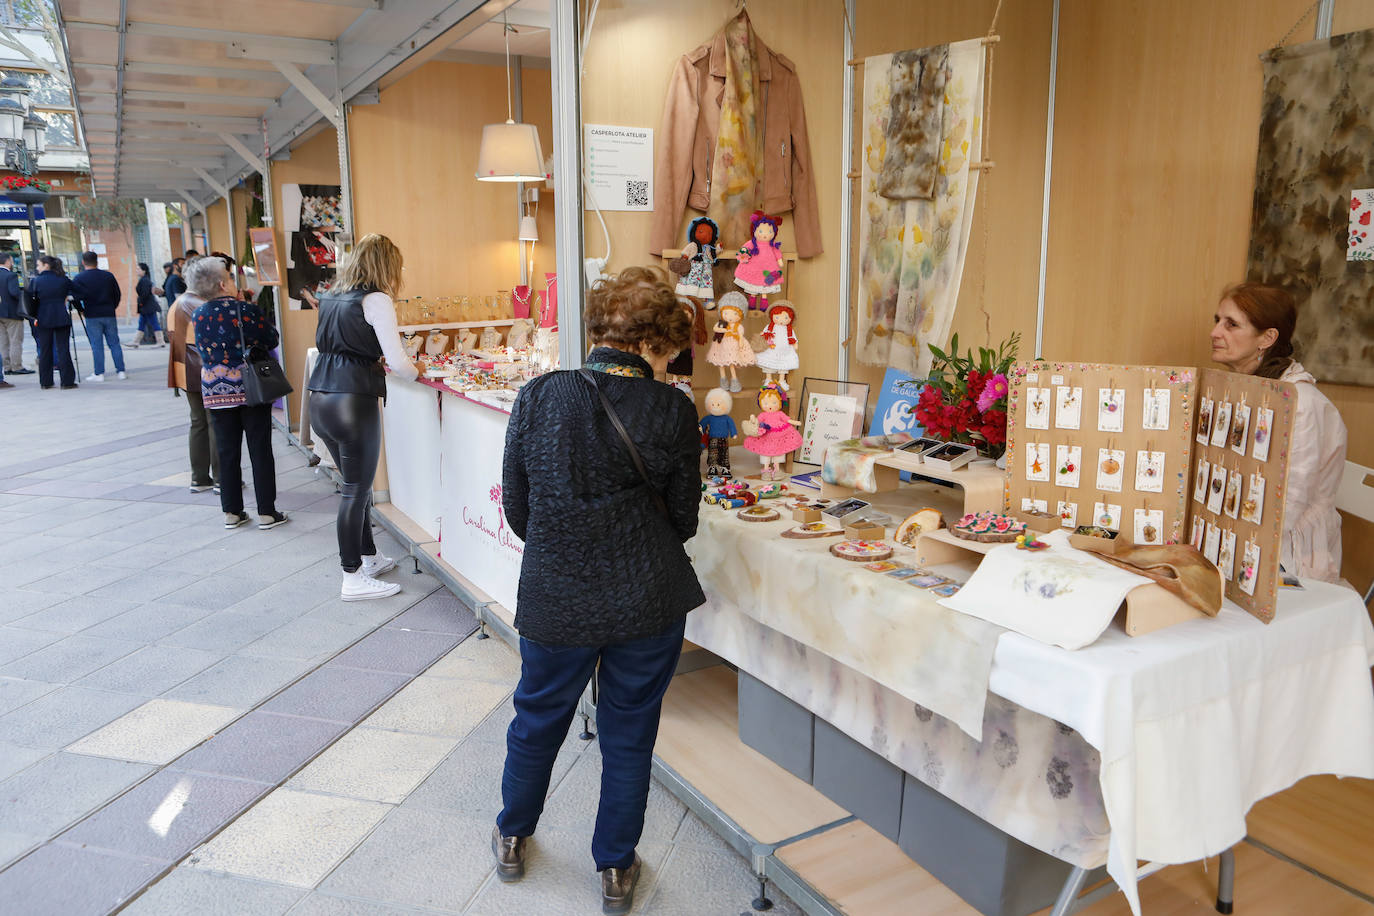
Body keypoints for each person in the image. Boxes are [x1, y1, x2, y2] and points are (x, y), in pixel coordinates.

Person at [493, 266, 703, 914]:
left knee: (537, 720)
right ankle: (615, 869)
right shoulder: (672, 409)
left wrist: (568, 547)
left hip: (557, 594)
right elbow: (686, 517)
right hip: (647, 597)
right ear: (657, 340)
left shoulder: (537, 396)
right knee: (629, 733)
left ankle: (512, 835)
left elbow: (518, 509)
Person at [307, 234, 420, 601]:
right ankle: (351, 576)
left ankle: (368, 557)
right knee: (356, 490)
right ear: (386, 265)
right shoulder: (376, 300)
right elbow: (399, 361)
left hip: (321, 397)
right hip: (354, 400)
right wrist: (418, 372)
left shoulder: (330, 297)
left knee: (354, 486)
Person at [1210, 282, 1347, 581]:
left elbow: (1288, 503)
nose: (1215, 332)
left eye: (1231, 324)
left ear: (1267, 338)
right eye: (1217, 321)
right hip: (1240, 537)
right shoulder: (1246, 390)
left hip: (1289, 556)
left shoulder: (1300, 404)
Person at [192, 255, 288, 531]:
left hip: (214, 388)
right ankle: (267, 513)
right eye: (231, 277)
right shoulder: (246, 310)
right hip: (250, 387)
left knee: (226, 450)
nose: (234, 281)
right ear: (223, 283)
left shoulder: (198, 314)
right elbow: (271, 339)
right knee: (260, 448)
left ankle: (232, 512)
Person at [167, 256, 218, 493]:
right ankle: (221, 476)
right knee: (213, 422)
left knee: (198, 422)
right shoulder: (199, 304)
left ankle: (199, 477)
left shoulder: (178, 303)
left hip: (183, 370)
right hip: (202, 369)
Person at [70, 250, 125, 382]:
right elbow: (117, 294)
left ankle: (99, 373)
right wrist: (113, 306)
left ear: (83, 262)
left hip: (92, 314)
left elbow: (75, 297)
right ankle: (121, 371)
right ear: (97, 261)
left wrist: (81, 309)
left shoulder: (79, 278)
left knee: (96, 344)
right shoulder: (108, 276)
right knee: (114, 343)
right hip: (109, 313)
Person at [26, 256, 76, 390]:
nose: (37, 268)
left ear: (46, 265)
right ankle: (67, 381)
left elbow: (30, 301)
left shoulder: (36, 281)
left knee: (45, 350)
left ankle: (46, 381)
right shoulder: (63, 279)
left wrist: (34, 315)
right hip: (61, 316)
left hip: (43, 317)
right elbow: (74, 293)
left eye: (38, 265)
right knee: (63, 349)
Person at [0, 252, 31, 376]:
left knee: (3, 341)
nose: (12, 263)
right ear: (7, 261)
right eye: (11, 261)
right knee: (15, 340)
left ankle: (6, 367)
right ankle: (16, 366)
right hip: (11, 313)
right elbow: (14, 293)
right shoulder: (11, 276)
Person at [132, 262, 165, 348]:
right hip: (146, 306)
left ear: (144, 271)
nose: (137, 270)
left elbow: (145, 294)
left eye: (138, 269)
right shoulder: (144, 279)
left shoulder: (145, 280)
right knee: (142, 323)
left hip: (147, 306)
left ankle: (160, 341)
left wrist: (141, 302)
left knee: (154, 323)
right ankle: (135, 341)